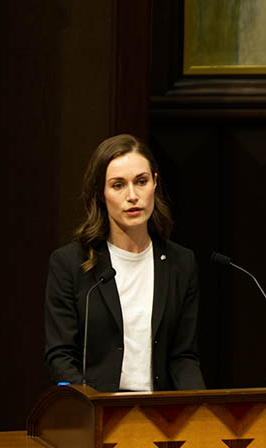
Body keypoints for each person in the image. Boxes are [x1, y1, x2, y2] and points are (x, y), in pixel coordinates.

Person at [44, 134, 205, 392]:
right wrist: (91, 407)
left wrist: (201, 411)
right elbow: (60, 356)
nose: (132, 195)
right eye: (118, 185)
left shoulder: (180, 262)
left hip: (161, 415)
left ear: (154, 183)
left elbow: (183, 356)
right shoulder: (71, 263)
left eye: (141, 182)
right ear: (100, 193)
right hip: (97, 413)